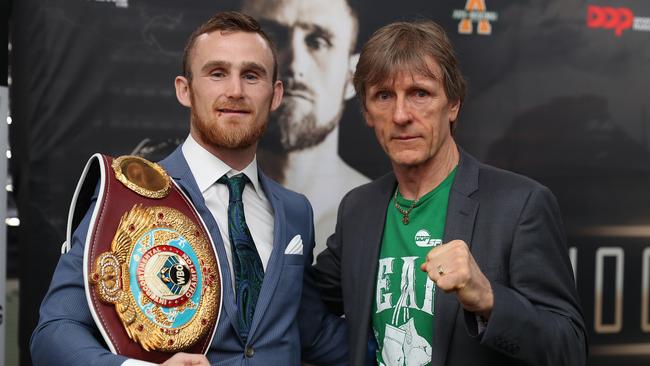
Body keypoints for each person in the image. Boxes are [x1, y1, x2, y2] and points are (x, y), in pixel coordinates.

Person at [30, 11, 347, 366]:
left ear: (275, 95)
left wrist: (414, 342)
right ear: (185, 89)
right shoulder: (126, 197)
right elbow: (56, 331)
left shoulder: (294, 210)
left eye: (251, 75)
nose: (235, 91)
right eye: (217, 73)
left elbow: (312, 330)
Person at [314, 20, 587, 366]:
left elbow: (570, 350)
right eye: (384, 96)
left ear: (453, 104)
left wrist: (488, 299)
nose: (400, 115)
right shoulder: (359, 207)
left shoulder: (520, 205)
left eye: (420, 93)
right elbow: (305, 299)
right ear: (367, 112)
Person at [241, 0, 370, 251]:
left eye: (317, 42)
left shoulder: (384, 215)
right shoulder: (194, 203)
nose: (295, 65)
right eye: (272, 37)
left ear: (352, 76)